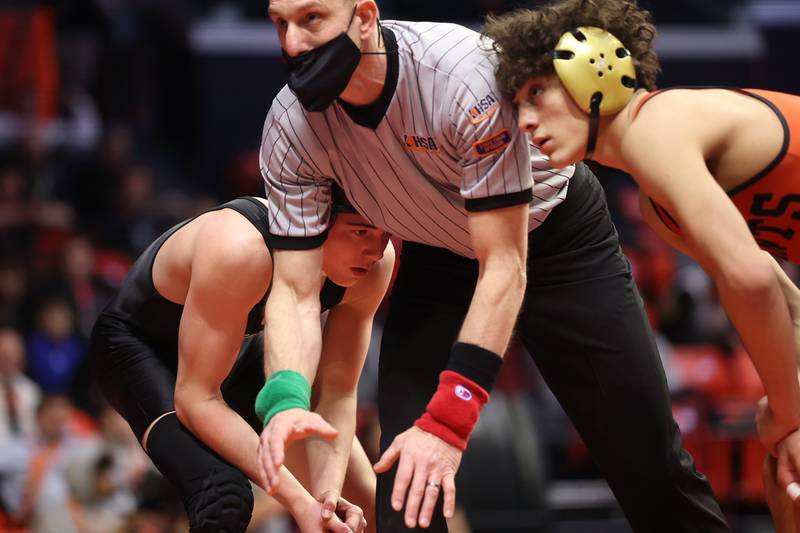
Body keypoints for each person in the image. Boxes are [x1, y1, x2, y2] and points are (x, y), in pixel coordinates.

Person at [256, 0, 730, 531]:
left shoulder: (460, 76)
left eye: (312, 19)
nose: (292, 44)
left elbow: (504, 265)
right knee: (404, 471)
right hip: (437, 251)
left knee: (648, 460)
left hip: (554, 239)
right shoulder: (290, 127)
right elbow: (296, 290)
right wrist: (287, 398)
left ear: (364, 17)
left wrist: (449, 422)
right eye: (281, 24)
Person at [482, 0, 800, 530]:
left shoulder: (660, 127)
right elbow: (783, 299)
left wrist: (788, 413)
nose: (526, 122)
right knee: (786, 477)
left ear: (595, 67)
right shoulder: (659, 209)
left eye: (536, 93)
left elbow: (751, 279)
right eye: (517, 105)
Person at [89, 194, 394, 533]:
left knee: (367, 509)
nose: (375, 251)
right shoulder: (240, 247)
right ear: (314, 220)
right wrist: (299, 502)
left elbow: (337, 393)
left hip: (235, 354)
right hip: (142, 350)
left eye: (385, 235)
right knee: (224, 498)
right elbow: (196, 397)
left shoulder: (376, 267)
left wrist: (325, 497)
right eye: (360, 233)